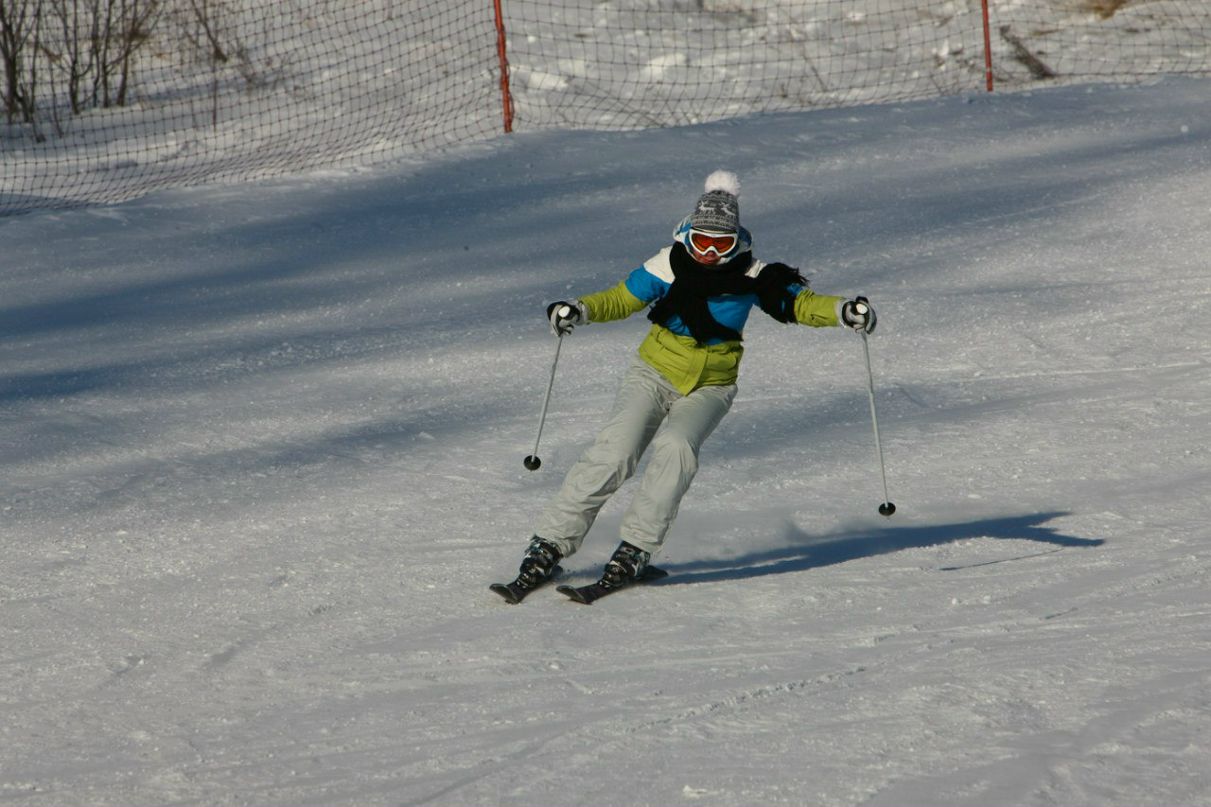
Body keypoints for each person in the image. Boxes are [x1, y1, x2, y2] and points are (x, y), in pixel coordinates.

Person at [496, 170, 876, 600]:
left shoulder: (756, 275)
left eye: (721, 244)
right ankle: (548, 545)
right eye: (701, 241)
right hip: (652, 373)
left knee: (677, 448)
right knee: (614, 452)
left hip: (711, 386)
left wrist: (844, 310)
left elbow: (801, 304)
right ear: (687, 234)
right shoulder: (667, 264)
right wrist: (578, 310)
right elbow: (621, 298)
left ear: (737, 242)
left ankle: (635, 550)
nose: (709, 253)